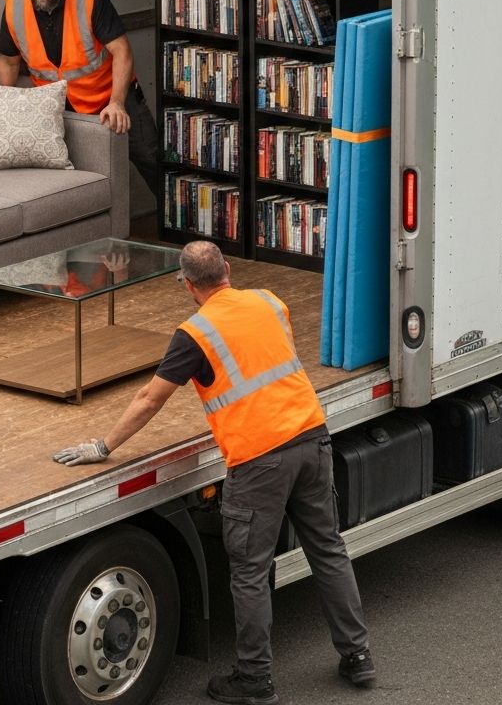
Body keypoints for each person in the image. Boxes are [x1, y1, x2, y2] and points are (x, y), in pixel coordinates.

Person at [53, 240, 375, 705]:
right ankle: (358, 656)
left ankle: (255, 678)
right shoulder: (270, 301)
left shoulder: (195, 334)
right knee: (328, 551)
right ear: (226, 268)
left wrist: (102, 446)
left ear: (186, 285)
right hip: (311, 437)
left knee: (249, 571)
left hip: (258, 459)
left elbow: (149, 399)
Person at [0, 0, 160, 200]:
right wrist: (4, 107)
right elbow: (8, 62)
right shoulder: (14, 7)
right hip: (63, 108)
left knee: (152, 161)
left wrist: (117, 102)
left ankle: (183, 233)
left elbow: (122, 51)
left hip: (111, 98)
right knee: (79, 181)